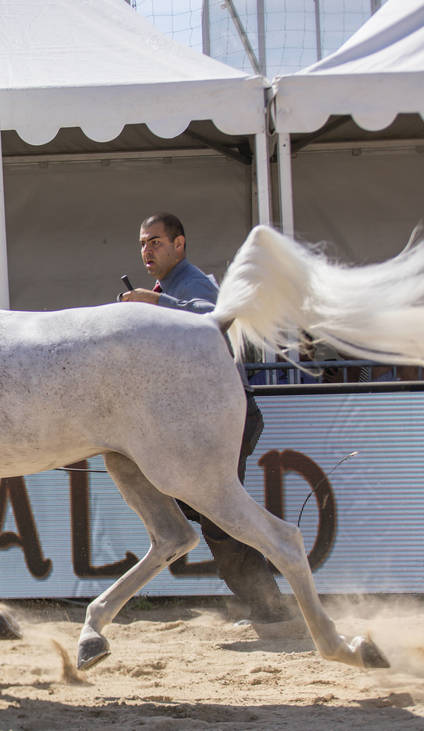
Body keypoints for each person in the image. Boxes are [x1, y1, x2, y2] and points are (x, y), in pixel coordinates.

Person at [119, 212, 291, 624]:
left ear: (180, 244)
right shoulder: (175, 285)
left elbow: (216, 316)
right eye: (143, 242)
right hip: (215, 418)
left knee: (220, 519)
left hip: (225, 417)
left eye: (156, 241)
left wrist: (157, 303)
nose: (147, 250)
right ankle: (268, 600)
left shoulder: (187, 284)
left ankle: (270, 606)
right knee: (216, 514)